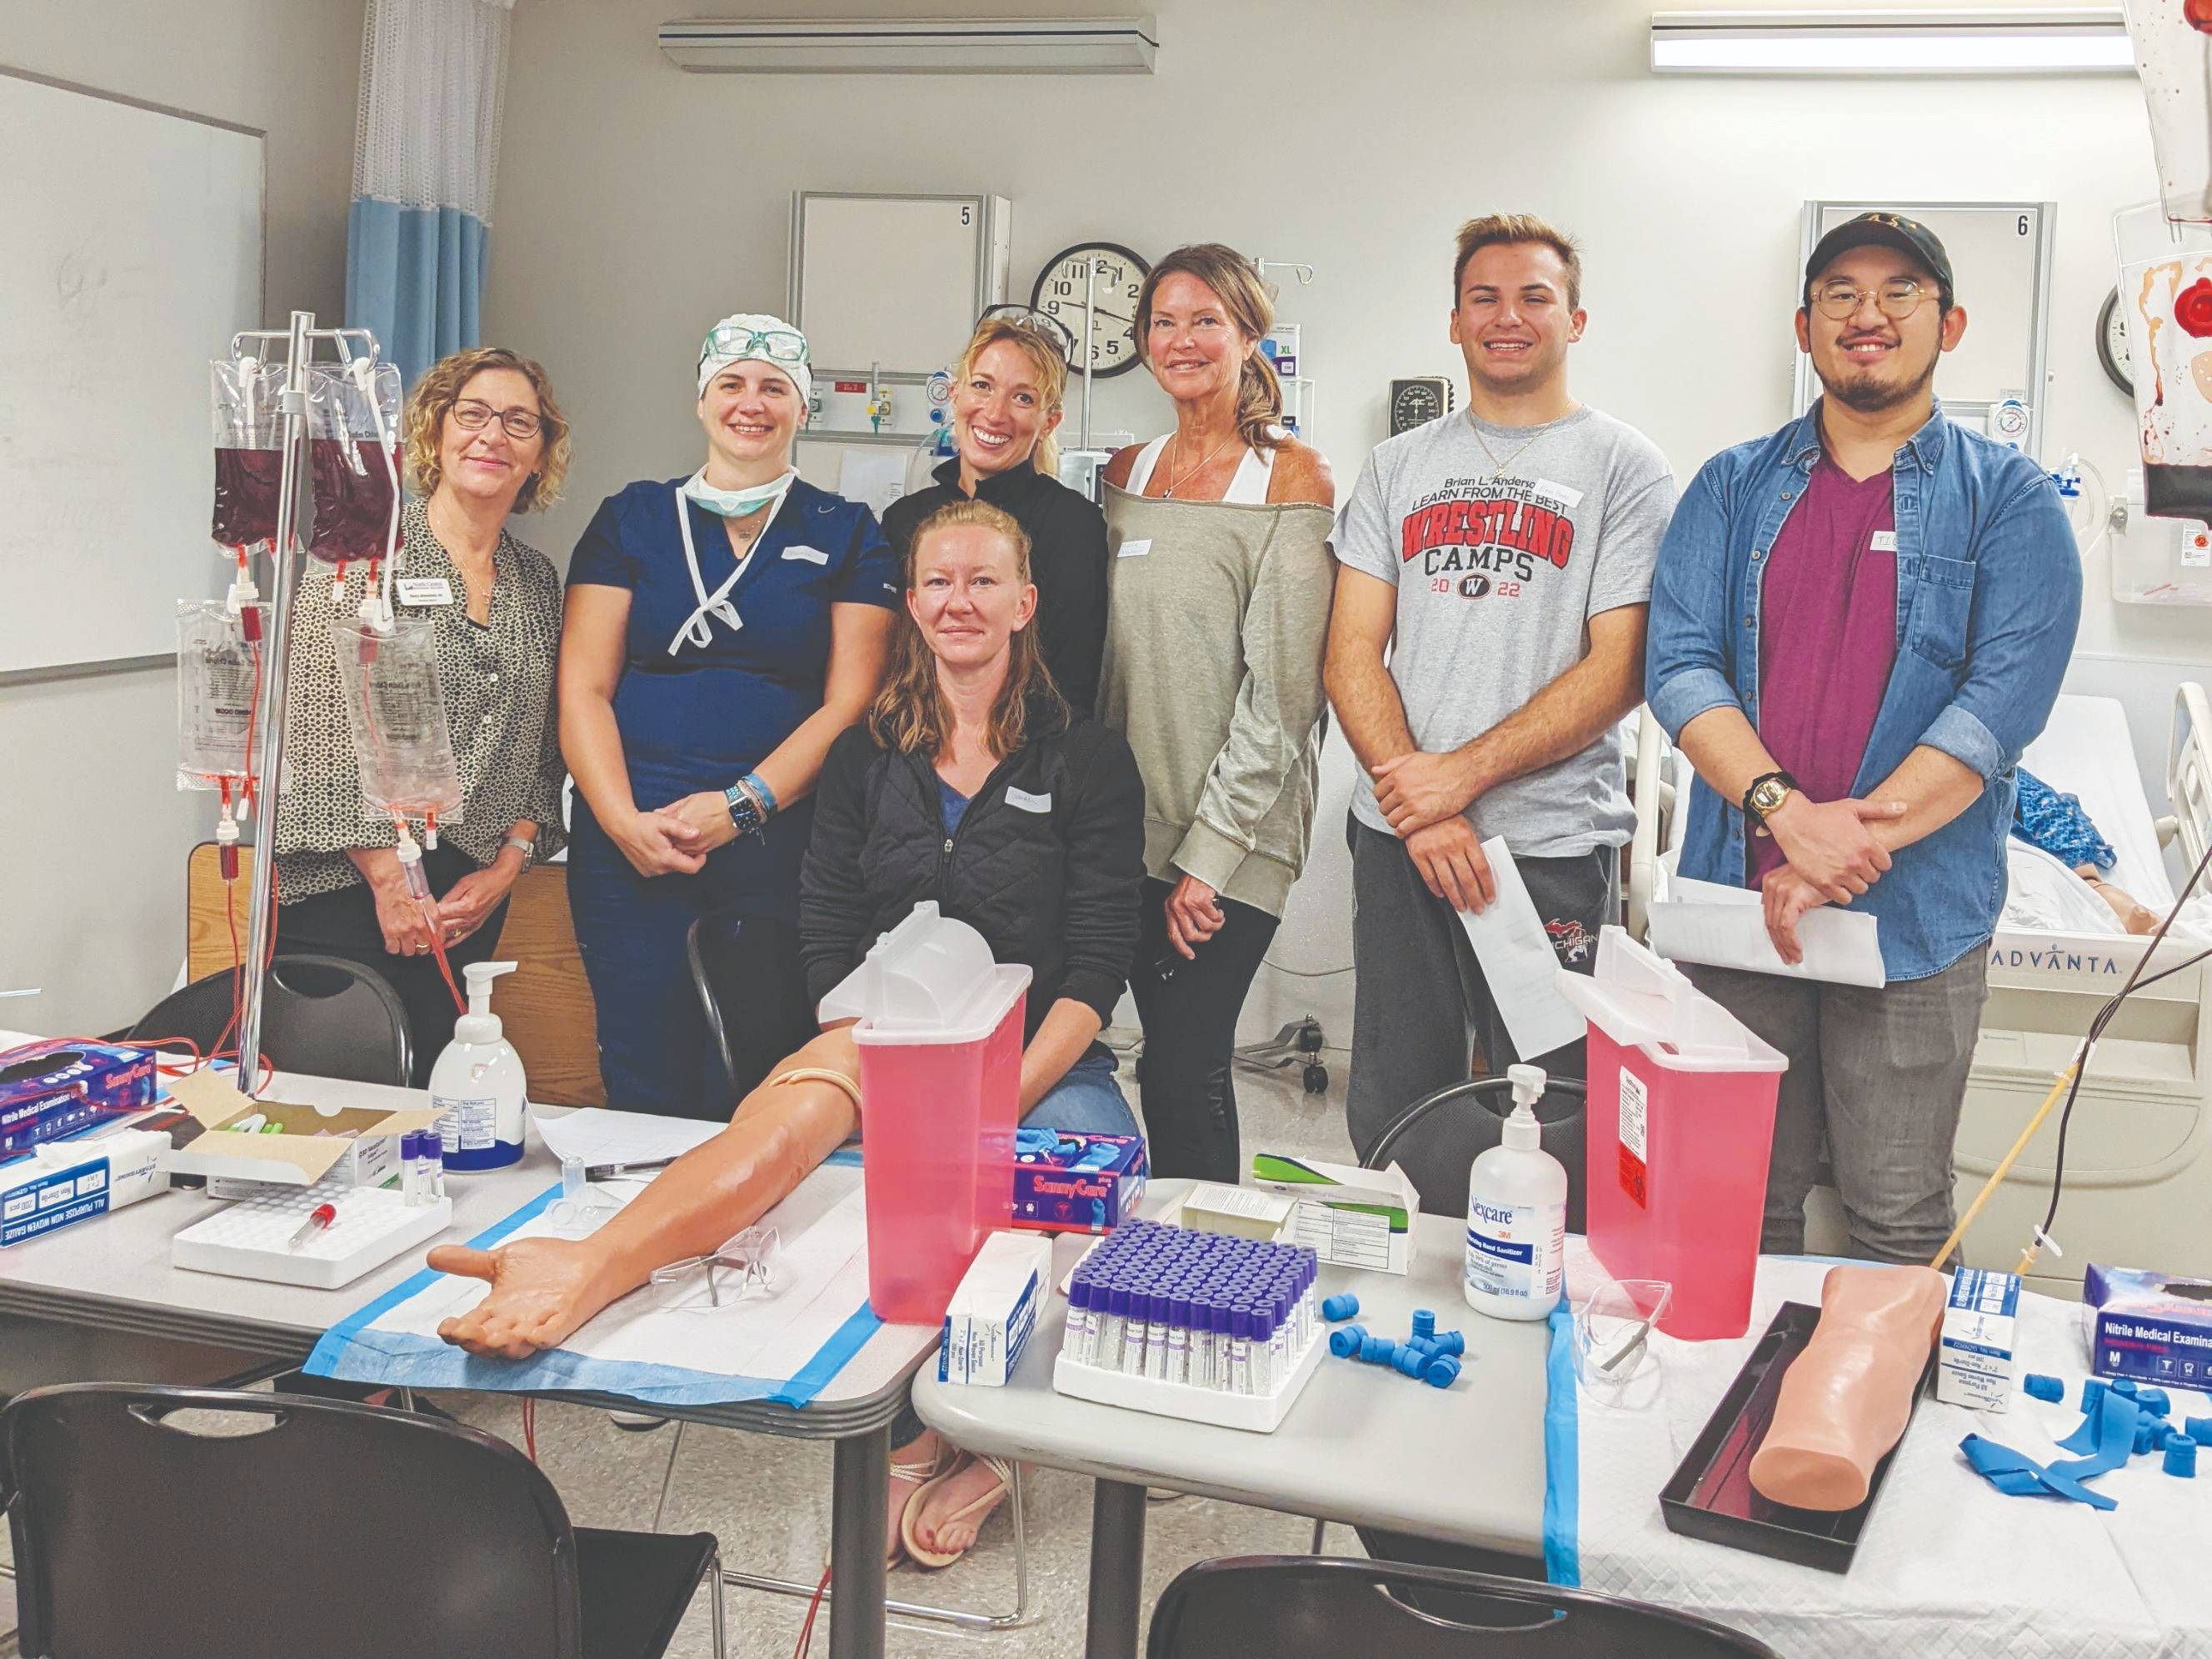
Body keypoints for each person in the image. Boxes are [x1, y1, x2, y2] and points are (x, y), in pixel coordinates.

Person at [432, 498, 1146, 1569]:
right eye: (938, 580)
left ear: (1025, 603)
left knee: (1094, 1201)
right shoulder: (866, 756)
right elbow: (826, 931)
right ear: (909, 603)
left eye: (983, 580)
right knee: (777, 1136)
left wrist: (985, 1108)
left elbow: (1096, 964)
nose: (959, 599)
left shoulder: (1087, 760)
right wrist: (890, 1068)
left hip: (1039, 1047)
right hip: (887, 1028)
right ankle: (592, 1264)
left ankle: (994, 1445)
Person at [1645, 212, 2081, 1263]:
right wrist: (1787, 820)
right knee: (1739, 1204)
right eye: (1840, 293)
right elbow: (1679, 665)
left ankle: (1871, 1430)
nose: (1868, 314)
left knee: (1896, 1213)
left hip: (1915, 923)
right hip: (1742, 904)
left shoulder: (2011, 502)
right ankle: (1740, 1425)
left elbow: (1997, 709)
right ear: (1805, 328)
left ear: (1951, 322)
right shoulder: (1732, 486)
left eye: (1900, 292)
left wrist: (1840, 854)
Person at [1325, 214, 1676, 1172]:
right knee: (1400, 1099)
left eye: (1534, 296)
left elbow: (1620, 668)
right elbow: (1351, 649)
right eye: (1484, 297)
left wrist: (1457, 782)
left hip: (1549, 843)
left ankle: (1531, 1293)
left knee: (1552, 1103)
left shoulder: (1624, 468)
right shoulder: (1399, 465)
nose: (1507, 316)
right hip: (1403, 840)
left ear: (1576, 318)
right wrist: (1421, 805)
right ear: (1454, 321)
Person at [561, 315, 898, 1117]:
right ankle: (640, 1235)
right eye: (733, 384)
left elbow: (850, 702)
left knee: (759, 1069)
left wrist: (741, 807)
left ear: (803, 408)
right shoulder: (631, 518)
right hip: (630, 843)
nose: (753, 403)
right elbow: (582, 689)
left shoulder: (848, 533)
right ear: (702, 400)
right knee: (642, 1064)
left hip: (779, 843)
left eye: (775, 387)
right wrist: (619, 821)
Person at [1099, 242, 1336, 1183]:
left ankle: (1204, 1272)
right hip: (1123, 824)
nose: (1182, 339)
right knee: (1110, 1053)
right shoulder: (1123, 470)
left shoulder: (1289, 479)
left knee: (1182, 1061)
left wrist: (1209, 856)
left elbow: (1283, 696)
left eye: (1207, 320)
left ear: (1249, 338)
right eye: (1164, 320)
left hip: (1230, 836)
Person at [276, 347, 573, 1084]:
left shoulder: (536, 581)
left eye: (518, 422)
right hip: (354, 884)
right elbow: (313, 728)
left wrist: (509, 864)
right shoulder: (363, 558)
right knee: (342, 1101)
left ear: (540, 456)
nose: (492, 436)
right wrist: (387, 881)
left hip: (469, 889)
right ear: (434, 435)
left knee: (437, 1104)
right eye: (471, 415)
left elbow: (543, 740)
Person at [881, 313, 1111, 714]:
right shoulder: (904, 522)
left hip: (1029, 754)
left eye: (1023, 398)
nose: (994, 413)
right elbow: (889, 666)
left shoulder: (1072, 526)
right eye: (982, 386)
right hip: (915, 742)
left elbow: (1072, 685)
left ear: (1049, 422)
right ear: (955, 395)